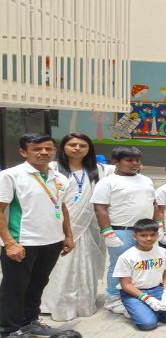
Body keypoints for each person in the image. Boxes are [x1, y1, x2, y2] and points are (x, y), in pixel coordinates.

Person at [0, 133, 71, 337]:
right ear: (24, 152)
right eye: (37, 149)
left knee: (38, 284)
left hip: (52, 241)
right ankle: (8, 329)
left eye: (48, 148)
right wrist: (10, 243)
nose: (43, 152)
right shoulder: (11, 175)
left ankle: (29, 322)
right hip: (22, 242)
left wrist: (68, 235)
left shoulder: (59, 177)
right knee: (14, 288)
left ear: (54, 151)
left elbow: (62, 207)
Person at [41, 133, 113, 322]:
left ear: (89, 149)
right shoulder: (52, 168)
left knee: (86, 265)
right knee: (59, 266)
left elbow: (124, 168)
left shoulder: (100, 169)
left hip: (88, 227)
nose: (77, 148)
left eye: (83, 145)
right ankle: (53, 304)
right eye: (72, 144)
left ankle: (83, 303)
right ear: (63, 147)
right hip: (58, 226)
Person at [92, 146, 158, 314]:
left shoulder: (146, 180)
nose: (134, 163)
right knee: (119, 265)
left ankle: (133, 293)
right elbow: (100, 208)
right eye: (129, 160)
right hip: (121, 231)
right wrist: (107, 232)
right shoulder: (107, 182)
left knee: (141, 264)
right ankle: (113, 299)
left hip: (145, 230)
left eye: (137, 160)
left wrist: (159, 226)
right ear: (116, 161)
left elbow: (154, 203)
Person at [114, 218, 166, 330]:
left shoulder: (164, 252)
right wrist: (147, 299)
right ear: (135, 236)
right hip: (134, 293)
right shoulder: (126, 257)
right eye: (143, 235)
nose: (149, 238)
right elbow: (126, 285)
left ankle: (148, 310)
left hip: (158, 289)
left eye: (152, 235)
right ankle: (135, 308)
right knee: (148, 324)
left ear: (157, 235)